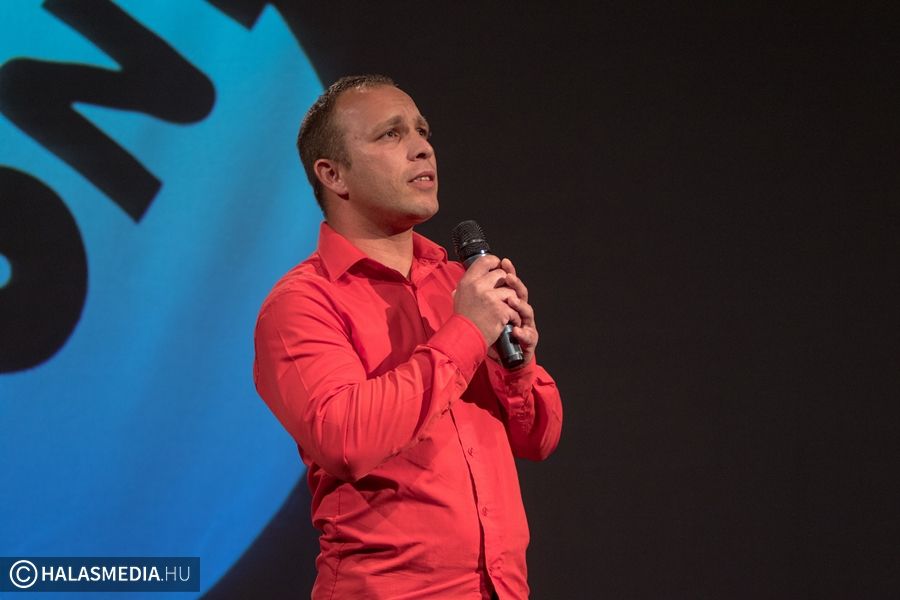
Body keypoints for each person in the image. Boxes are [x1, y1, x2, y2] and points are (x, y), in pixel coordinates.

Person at [253, 74, 562, 599]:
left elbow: (539, 440)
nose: (422, 148)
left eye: (423, 131)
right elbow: (346, 441)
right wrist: (466, 332)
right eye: (391, 134)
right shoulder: (302, 303)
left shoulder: (458, 283)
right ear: (333, 174)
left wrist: (516, 366)